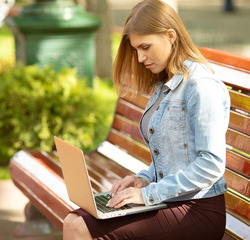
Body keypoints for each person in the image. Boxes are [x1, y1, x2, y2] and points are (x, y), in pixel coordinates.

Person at [63, 0, 230, 239]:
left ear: (170, 36)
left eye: (145, 47)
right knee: (73, 220)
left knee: (82, 228)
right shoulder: (166, 83)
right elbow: (174, 158)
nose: (140, 58)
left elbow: (211, 165)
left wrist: (148, 195)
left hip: (197, 209)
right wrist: (144, 179)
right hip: (168, 200)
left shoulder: (200, 87)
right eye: (136, 50)